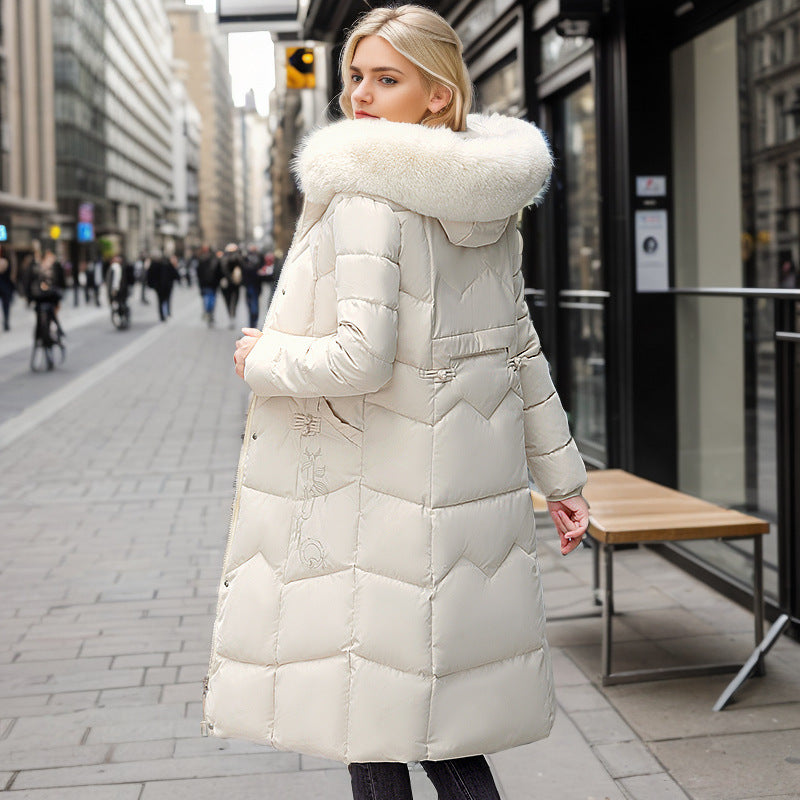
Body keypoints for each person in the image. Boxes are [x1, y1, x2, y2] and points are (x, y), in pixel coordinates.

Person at [204, 6, 589, 800]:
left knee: (373, 726)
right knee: (446, 729)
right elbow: (520, 348)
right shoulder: (490, 203)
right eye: (355, 77)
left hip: (376, 501)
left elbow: (358, 357)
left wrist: (263, 356)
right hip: (459, 503)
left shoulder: (366, 196)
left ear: (439, 96)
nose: (360, 96)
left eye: (387, 78)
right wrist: (564, 480)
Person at [219, 243, 243, 329]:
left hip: (226, 283)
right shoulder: (238, 258)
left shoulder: (223, 258)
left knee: (228, 301)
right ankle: (233, 314)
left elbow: (221, 269)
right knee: (234, 300)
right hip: (235, 283)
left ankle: (231, 316)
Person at [196, 244, 221, 327]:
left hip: (210, 284)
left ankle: (209, 313)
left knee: (209, 300)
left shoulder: (203, 259)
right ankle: (209, 314)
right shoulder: (210, 259)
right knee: (210, 300)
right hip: (208, 284)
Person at [242, 244, 263, 329]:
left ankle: (252, 322)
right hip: (254, 284)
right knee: (254, 303)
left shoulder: (246, 257)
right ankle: (253, 321)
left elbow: (244, 270)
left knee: (252, 304)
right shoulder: (259, 257)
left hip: (251, 285)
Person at [0, 248, 15, 331]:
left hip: (5, 287)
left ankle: (6, 321)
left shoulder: (7, 261)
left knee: (6, 306)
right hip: (5, 287)